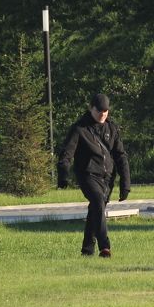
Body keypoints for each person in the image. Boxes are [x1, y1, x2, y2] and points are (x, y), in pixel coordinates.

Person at [57, 93, 130, 257]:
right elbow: (67, 153)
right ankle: (105, 247)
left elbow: (121, 156)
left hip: (107, 178)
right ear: (91, 108)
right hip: (87, 175)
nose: (103, 114)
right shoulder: (79, 129)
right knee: (97, 201)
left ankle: (87, 250)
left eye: (106, 111)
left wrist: (126, 184)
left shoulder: (112, 128)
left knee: (96, 209)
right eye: (99, 111)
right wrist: (63, 175)